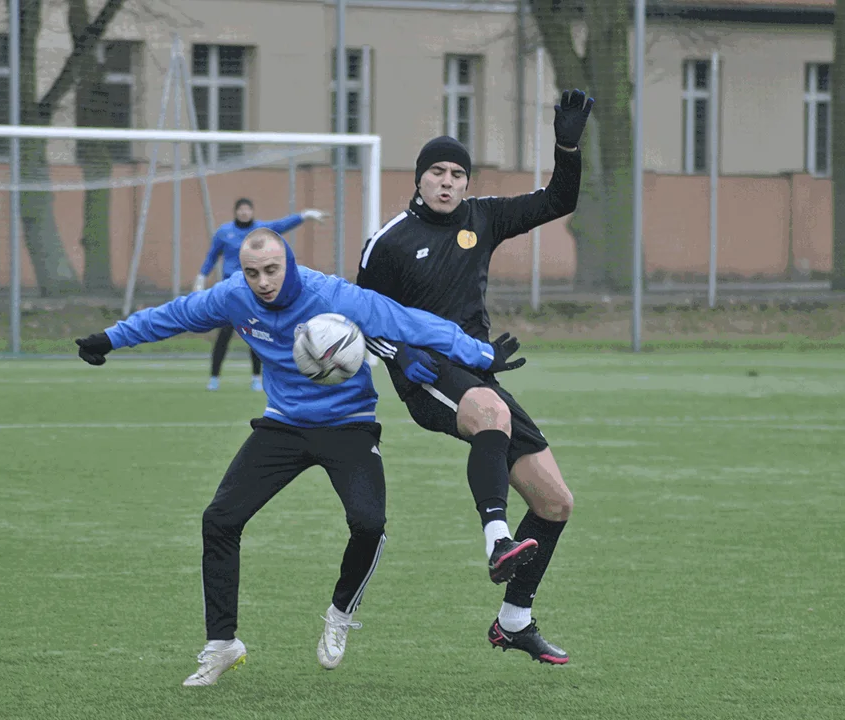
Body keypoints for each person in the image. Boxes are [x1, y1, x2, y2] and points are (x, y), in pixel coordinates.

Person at [76, 227, 522, 686]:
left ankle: (341, 611)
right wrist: (109, 339)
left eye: (271, 269)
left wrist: (479, 353)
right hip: (283, 424)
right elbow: (171, 316)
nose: (263, 281)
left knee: (369, 524)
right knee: (220, 520)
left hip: (348, 423)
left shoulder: (331, 294)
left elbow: (406, 322)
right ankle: (222, 644)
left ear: (287, 262)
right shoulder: (233, 296)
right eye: (252, 273)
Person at [356, 89, 593, 665]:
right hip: (423, 373)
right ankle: (496, 540)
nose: (447, 181)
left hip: (475, 370)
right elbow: (358, 319)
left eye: (457, 173)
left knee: (556, 501)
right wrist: (398, 354)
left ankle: (514, 621)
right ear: (418, 180)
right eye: (436, 171)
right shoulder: (388, 242)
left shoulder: (483, 217)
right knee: (489, 411)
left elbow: (559, 200)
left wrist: (566, 145)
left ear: (467, 182)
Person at [193, 198, 328, 392]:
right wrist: (201, 276)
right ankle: (214, 378)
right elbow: (212, 256)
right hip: (231, 292)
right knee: (223, 335)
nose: (244, 213)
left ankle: (256, 378)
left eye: (248, 210)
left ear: (252, 211)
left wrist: (304, 215)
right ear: (236, 212)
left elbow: (281, 225)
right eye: (241, 210)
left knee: (257, 335)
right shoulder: (224, 232)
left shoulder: (260, 231)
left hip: (253, 291)